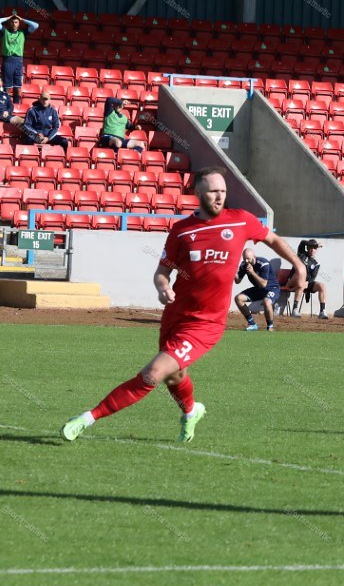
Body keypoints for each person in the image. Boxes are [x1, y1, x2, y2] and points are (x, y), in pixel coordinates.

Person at [59, 167, 305, 443]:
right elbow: (162, 271)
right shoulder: (182, 231)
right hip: (176, 316)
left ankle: (86, 419)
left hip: (206, 324)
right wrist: (163, 287)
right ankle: (191, 412)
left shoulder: (240, 221)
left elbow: (272, 239)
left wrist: (298, 266)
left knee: (153, 373)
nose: (220, 196)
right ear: (198, 193)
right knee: (174, 377)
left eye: (223, 190)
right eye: (213, 191)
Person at [234, 248, 281, 331]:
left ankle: (270, 326)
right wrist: (233, 272)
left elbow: (263, 284)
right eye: (244, 258)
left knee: (266, 301)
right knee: (238, 298)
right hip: (259, 289)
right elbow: (237, 281)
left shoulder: (263, 263)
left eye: (248, 258)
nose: (246, 261)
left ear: (254, 256)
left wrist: (252, 272)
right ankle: (252, 324)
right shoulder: (244, 264)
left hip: (272, 288)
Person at [0, 11, 39, 104]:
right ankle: (6, 105)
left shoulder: (23, 33)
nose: (14, 24)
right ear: (9, 23)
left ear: (19, 24)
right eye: (12, 22)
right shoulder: (4, 31)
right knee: (7, 88)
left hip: (18, 61)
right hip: (7, 61)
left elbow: (36, 25)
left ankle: (17, 106)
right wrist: (9, 17)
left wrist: (22, 19)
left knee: (18, 87)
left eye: (16, 22)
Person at [287, 239, 329, 319]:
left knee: (321, 285)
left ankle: (322, 311)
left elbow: (313, 277)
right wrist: (316, 245)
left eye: (315, 248)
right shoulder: (301, 254)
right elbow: (303, 242)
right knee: (301, 283)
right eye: (311, 247)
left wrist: (307, 282)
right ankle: (295, 310)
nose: (313, 250)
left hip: (306, 283)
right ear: (307, 248)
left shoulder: (316, 263)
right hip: (293, 281)